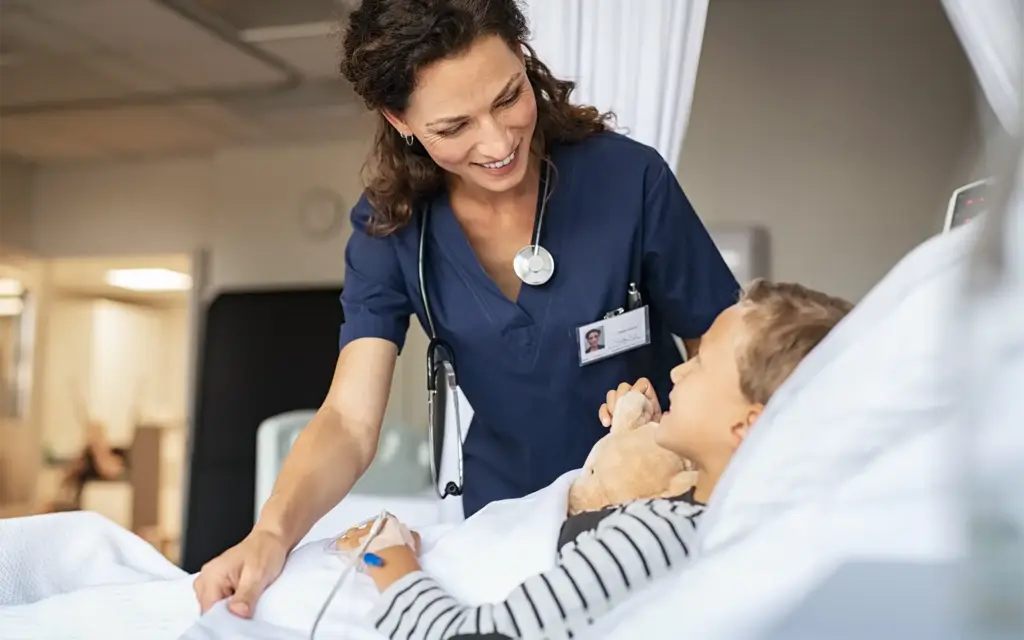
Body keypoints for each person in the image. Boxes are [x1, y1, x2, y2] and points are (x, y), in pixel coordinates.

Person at [193, 0, 739, 616]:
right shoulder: (390, 230)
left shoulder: (628, 180)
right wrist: (271, 532)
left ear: (525, 60)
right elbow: (348, 421)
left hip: (648, 505)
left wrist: (712, 463)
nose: (499, 141)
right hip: (505, 522)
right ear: (400, 120)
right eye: (454, 128)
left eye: (509, 97)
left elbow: (727, 353)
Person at [336, 280, 854, 640]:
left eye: (701, 364)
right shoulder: (712, 520)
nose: (678, 373)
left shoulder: (663, 535)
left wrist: (387, 556)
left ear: (748, 426)